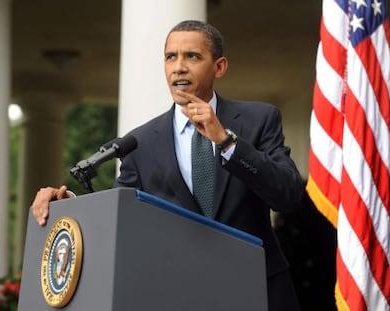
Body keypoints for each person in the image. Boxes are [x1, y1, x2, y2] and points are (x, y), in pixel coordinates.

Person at [32, 20, 304, 311]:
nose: (179, 67)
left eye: (192, 56)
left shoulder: (259, 120)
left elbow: (288, 195)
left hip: (257, 290)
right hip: (178, 294)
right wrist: (67, 206)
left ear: (219, 67)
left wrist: (227, 142)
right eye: (170, 57)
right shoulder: (140, 142)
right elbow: (119, 221)